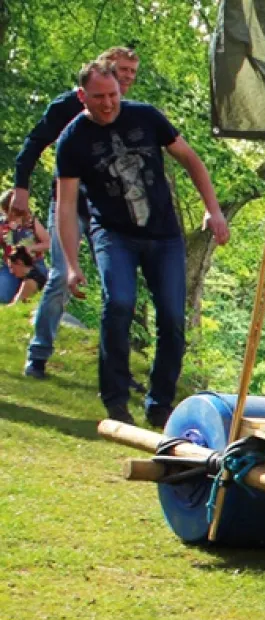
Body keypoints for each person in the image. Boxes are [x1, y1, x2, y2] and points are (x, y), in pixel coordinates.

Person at [56, 59, 230, 427]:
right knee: (118, 303)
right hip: (113, 234)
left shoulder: (147, 117)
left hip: (163, 233)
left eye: (113, 95)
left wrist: (212, 210)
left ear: (121, 90)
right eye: (98, 97)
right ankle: (116, 399)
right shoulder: (72, 140)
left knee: (171, 317)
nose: (107, 104)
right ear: (81, 96)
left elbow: (191, 161)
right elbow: (67, 206)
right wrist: (71, 265)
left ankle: (159, 403)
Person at [13, 46, 140, 379]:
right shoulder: (68, 106)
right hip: (69, 205)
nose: (127, 77)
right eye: (122, 69)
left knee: (121, 287)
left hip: (110, 210)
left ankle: (117, 370)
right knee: (60, 275)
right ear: (105, 69)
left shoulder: (130, 114)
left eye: (132, 72)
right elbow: (33, 145)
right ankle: (38, 355)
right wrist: (21, 189)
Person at [0, 189, 51, 304]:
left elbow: (49, 243)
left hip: (33, 265)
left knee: (30, 284)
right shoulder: (3, 225)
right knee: (2, 294)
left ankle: (18, 302)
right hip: (11, 266)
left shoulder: (31, 222)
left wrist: (31, 248)